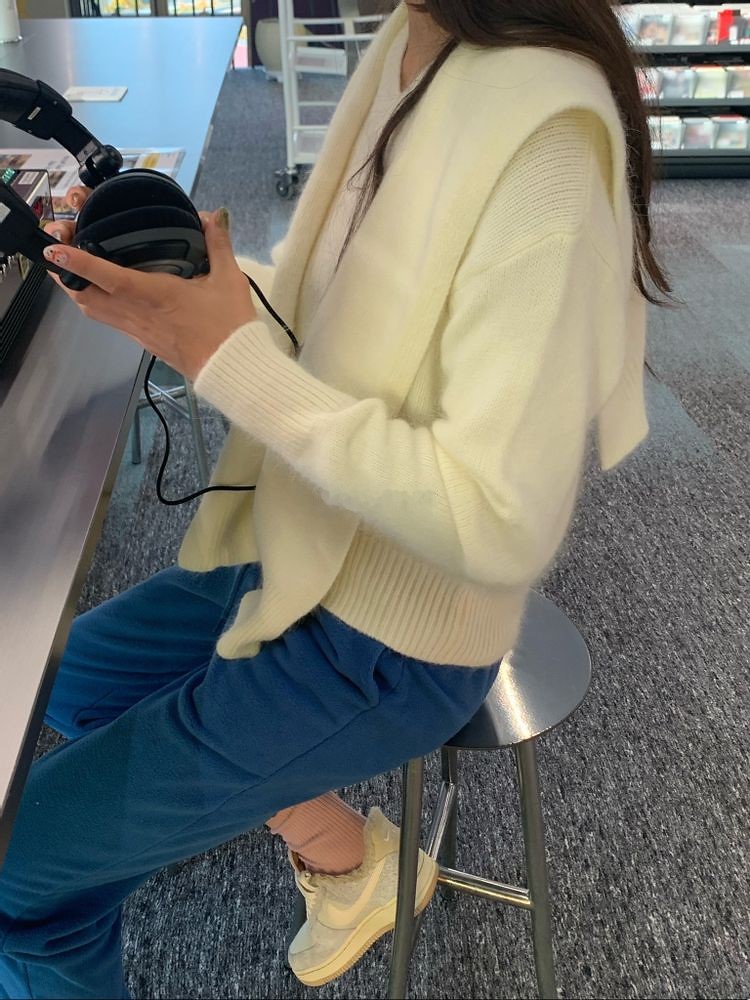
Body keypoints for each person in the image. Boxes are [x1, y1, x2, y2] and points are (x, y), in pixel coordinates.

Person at [0, 0, 673, 996]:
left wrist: (223, 356)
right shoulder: (413, 39)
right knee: (62, 683)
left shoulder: (547, 139)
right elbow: (342, 315)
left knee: (17, 880)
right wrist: (181, 297)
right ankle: (349, 856)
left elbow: (498, 517)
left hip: (394, 638)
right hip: (311, 542)